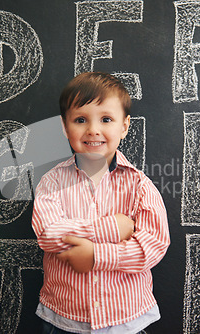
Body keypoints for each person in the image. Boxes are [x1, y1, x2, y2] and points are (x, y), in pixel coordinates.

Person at [32, 72, 170, 334]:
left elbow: (153, 246)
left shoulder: (140, 186)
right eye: (81, 120)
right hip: (63, 319)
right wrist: (109, 229)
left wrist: (97, 256)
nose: (93, 129)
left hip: (126, 320)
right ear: (64, 126)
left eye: (106, 119)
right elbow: (49, 235)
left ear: (124, 126)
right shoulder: (51, 182)